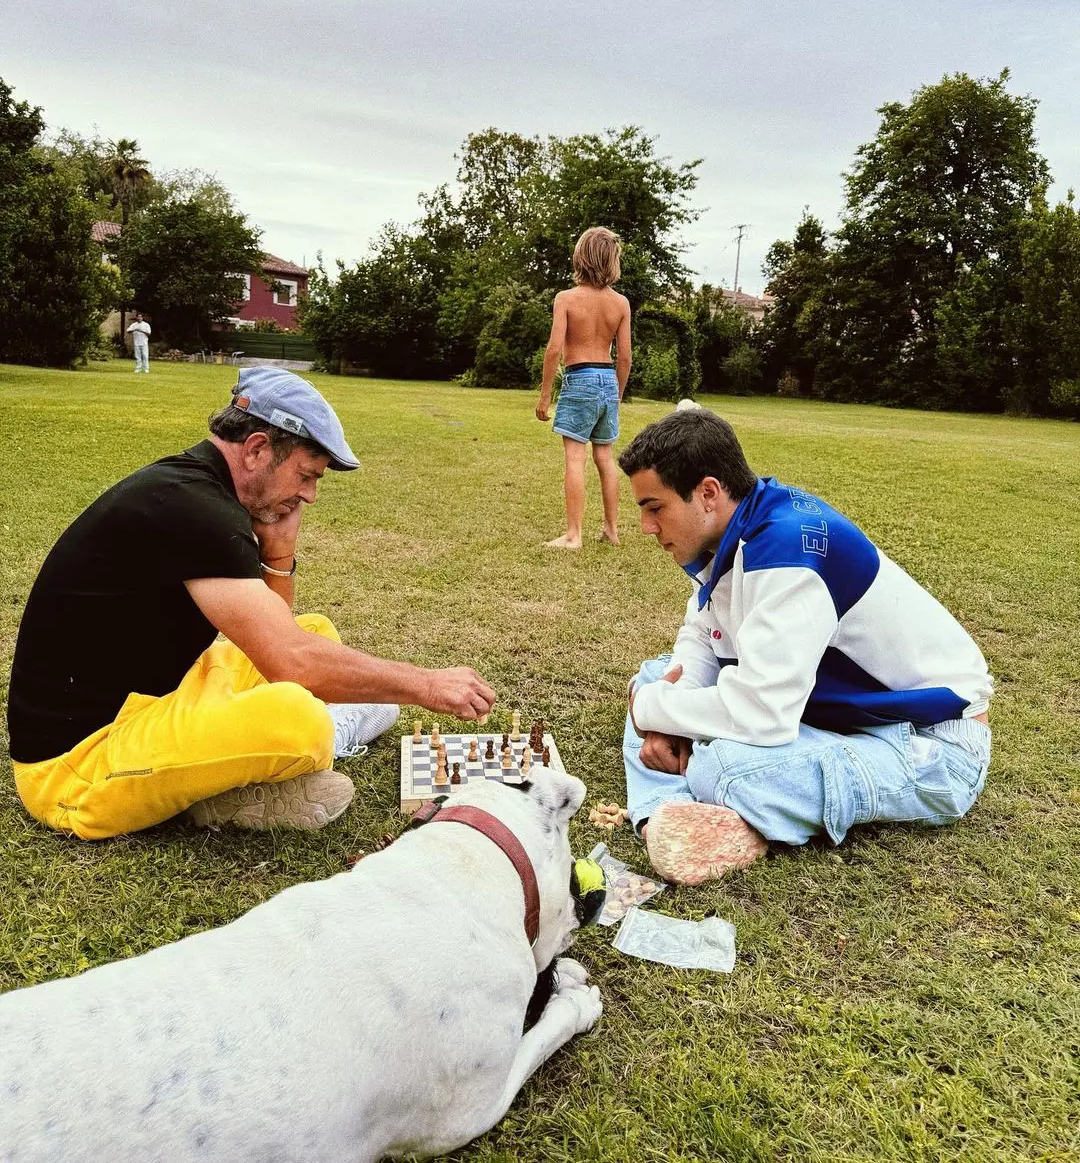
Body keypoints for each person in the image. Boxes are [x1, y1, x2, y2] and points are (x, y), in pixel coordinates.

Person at [7, 368, 496, 840]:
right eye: (307, 475)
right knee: (298, 718)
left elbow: (280, 641)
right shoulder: (197, 510)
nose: (311, 494)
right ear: (258, 449)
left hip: (155, 699)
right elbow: (290, 663)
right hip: (77, 764)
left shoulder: (197, 489)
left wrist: (279, 548)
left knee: (316, 630)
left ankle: (251, 769)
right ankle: (301, 749)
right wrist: (425, 685)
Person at [617, 406, 993, 885]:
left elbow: (763, 715)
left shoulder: (789, 553)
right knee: (654, 678)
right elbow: (701, 637)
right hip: (830, 715)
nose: (647, 528)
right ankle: (663, 817)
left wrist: (654, 712)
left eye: (655, 508)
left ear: (708, 493)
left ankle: (711, 804)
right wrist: (668, 705)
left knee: (722, 765)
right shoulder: (736, 532)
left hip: (927, 743)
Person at [535, 227, 631, 549]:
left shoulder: (566, 299)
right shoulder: (621, 304)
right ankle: (611, 529)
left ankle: (574, 535)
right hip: (607, 379)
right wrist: (616, 395)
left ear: (581, 257)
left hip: (580, 378)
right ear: (612, 261)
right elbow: (625, 357)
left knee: (575, 458)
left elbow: (553, 349)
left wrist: (546, 394)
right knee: (604, 457)